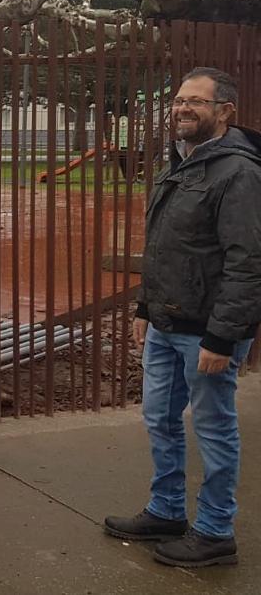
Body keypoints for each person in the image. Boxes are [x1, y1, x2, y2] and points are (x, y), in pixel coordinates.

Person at [104, 67, 261, 568]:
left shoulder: (239, 173)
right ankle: (167, 510)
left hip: (206, 334)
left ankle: (215, 531)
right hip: (166, 325)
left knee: (214, 429)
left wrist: (223, 337)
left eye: (195, 101)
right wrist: (145, 308)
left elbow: (247, 261)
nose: (181, 109)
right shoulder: (181, 164)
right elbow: (165, 248)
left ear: (224, 112)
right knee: (160, 420)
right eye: (177, 100)